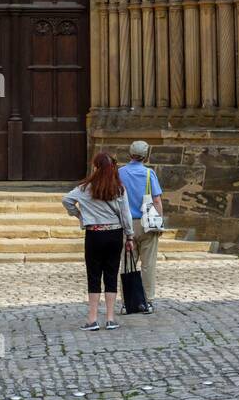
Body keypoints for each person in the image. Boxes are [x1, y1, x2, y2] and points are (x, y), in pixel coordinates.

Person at [62, 152, 133, 331]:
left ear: (96, 167)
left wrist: (80, 216)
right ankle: (110, 318)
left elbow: (66, 200)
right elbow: (126, 215)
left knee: (93, 275)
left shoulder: (85, 188)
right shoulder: (119, 188)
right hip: (114, 234)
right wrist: (129, 236)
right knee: (111, 274)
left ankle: (92, 319)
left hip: (94, 234)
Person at [118, 141, 164, 312]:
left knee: (127, 264)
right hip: (146, 223)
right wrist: (159, 223)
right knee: (148, 264)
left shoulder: (120, 173)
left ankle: (127, 303)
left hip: (125, 224)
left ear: (130, 154)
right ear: (146, 156)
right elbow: (157, 200)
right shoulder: (148, 173)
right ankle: (147, 301)